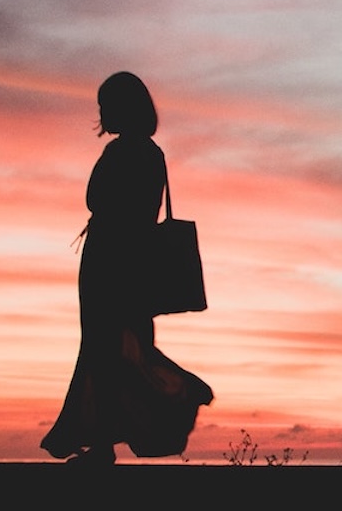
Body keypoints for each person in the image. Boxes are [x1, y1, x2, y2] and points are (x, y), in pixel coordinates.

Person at [41, 71, 213, 465]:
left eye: (106, 105)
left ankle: (180, 392)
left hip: (109, 260)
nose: (102, 113)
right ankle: (106, 440)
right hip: (137, 263)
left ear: (122, 108)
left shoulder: (121, 152)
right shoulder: (154, 153)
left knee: (105, 350)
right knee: (128, 345)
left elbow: (95, 198)